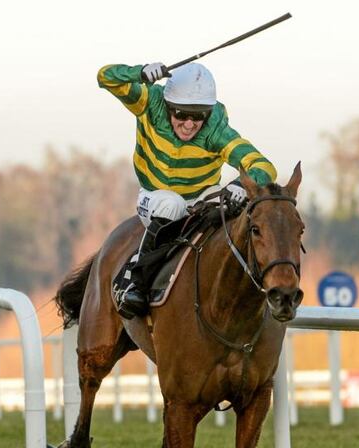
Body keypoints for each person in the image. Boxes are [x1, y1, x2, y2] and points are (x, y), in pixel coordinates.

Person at [97, 61, 277, 319]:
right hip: (155, 197)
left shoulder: (216, 129)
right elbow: (106, 77)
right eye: (181, 114)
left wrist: (240, 185)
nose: (190, 124)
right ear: (169, 106)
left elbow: (263, 165)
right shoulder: (149, 103)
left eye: (198, 116)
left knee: (231, 209)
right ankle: (133, 280)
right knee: (172, 205)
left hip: (201, 198)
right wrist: (139, 72)